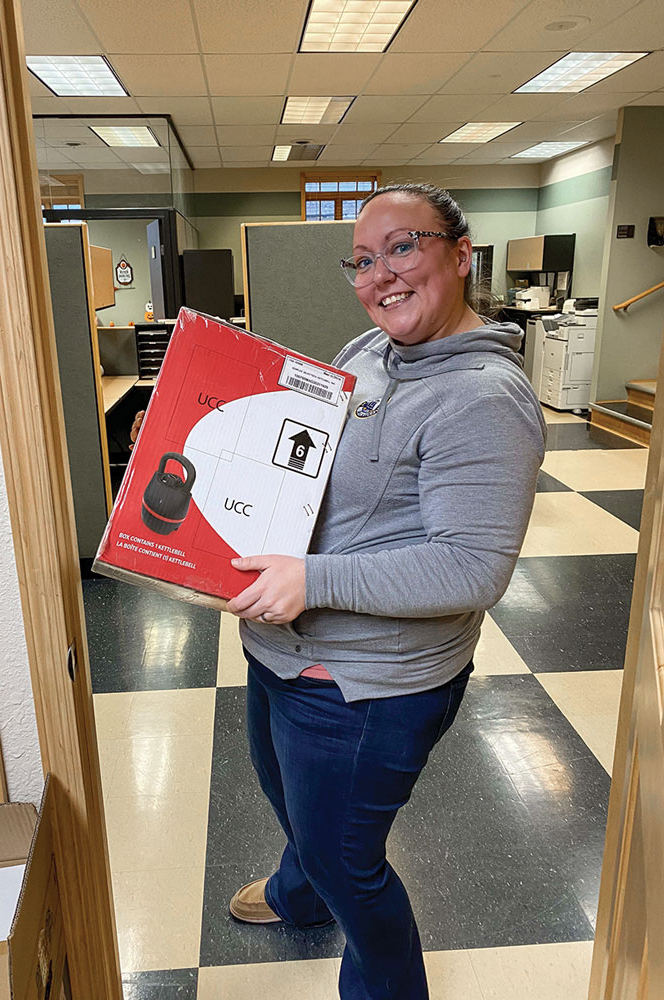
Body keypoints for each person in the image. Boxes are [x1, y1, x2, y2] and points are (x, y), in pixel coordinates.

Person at [220, 183, 547, 1000]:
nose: (381, 275)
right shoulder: (370, 348)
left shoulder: (485, 398)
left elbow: (473, 566)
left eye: (403, 247)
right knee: (289, 800)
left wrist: (312, 577)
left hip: (364, 685)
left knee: (348, 863)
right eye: (364, 260)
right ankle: (301, 895)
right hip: (285, 647)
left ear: (460, 254)